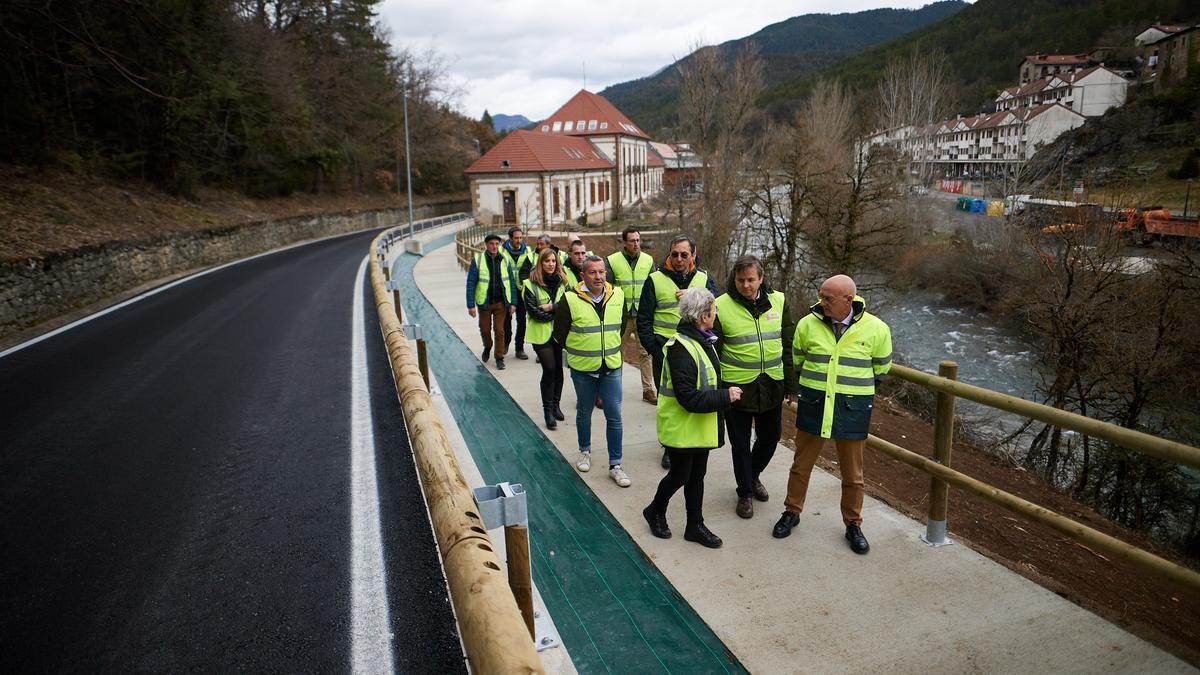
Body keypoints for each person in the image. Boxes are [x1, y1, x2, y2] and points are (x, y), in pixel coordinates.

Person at [772, 274, 892, 555]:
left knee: (853, 474)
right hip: (814, 405)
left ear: (848, 300)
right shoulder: (807, 324)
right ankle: (792, 512)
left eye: (828, 298)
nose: (821, 302)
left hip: (852, 410)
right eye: (821, 296)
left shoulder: (877, 329)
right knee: (801, 465)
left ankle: (853, 524)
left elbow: (881, 369)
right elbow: (798, 360)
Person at [643, 287, 741, 548]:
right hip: (682, 427)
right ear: (702, 317)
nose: (715, 315)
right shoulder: (681, 348)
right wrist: (725, 396)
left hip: (698, 427)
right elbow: (688, 397)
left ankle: (694, 525)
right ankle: (654, 510)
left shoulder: (703, 340)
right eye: (713, 312)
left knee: (697, 476)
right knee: (680, 475)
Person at [713, 255, 796, 519]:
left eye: (751, 279)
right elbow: (714, 351)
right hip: (736, 388)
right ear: (733, 279)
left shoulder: (779, 301)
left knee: (770, 438)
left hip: (771, 385)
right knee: (739, 443)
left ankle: (753, 475)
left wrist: (791, 385)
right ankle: (745, 493)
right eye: (740, 280)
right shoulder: (720, 306)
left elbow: (787, 346)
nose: (746, 285)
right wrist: (718, 390)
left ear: (761, 278)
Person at [636, 234, 720, 468]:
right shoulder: (654, 280)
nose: (679, 259)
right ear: (669, 254)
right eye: (675, 254)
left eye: (685, 254)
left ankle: (693, 442)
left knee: (694, 396)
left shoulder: (704, 279)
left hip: (697, 352)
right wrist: (654, 347)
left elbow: (717, 308)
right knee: (668, 401)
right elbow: (644, 318)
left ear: (693, 255)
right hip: (666, 351)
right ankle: (669, 447)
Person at [553, 255, 630, 487]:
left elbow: (622, 326)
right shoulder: (569, 299)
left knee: (614, 415)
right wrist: (584, 349)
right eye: (593, 272)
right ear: (583, 275)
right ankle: (584, 451)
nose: (598, 276)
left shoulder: (618, 295)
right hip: (583, 370)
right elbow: (560, 334)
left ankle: (616, 464)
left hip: (611, 368)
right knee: (584, 412)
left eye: (601, 272)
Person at [606, 226, 657, 405]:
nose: (636, 244)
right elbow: (607, 288)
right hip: (622, 315)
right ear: (624, 243)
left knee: (646, 353)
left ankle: (648, 390)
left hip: (643, 315)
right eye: (632, 241)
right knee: (616, 353)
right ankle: (613, 390)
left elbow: (654, 287)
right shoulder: (612, 261)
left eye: (638, 240)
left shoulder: (648, 260)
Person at [524, 248, 567, 429]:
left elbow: (567, 305)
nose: (550, 264)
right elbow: (533, 312)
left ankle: (556, 405)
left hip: (559, 334)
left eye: (553, 261)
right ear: (540, 263)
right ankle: (547, 411)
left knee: (559, 370)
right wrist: (556, 314)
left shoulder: (564, 283)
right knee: (549, 369)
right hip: (540, 335)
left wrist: (551, 308)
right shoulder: (530, 284)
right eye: (547, 261)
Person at [466, 233, 518, 370]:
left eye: (497, 244)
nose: (494, 246)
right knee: (485, 330)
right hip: (485, 303)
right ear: (486, 245)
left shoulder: (505, 259)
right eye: (491, 244)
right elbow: (471, 283)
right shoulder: (478, 260)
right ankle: (487, 346)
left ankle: (499, 357)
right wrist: (470, 305)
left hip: (501, 303)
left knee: (500, 331)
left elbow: (511, 282)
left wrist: (513, 302)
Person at [501, 227, 535, 361]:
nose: (519, 241)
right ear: (510, 238)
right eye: (516, 238)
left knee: (521, 321)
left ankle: (519, 349)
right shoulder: (501, 251)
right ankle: (506, 341)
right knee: (506, 320)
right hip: (507, 291)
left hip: (522, 291)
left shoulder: (527, 251)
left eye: (521, 238)